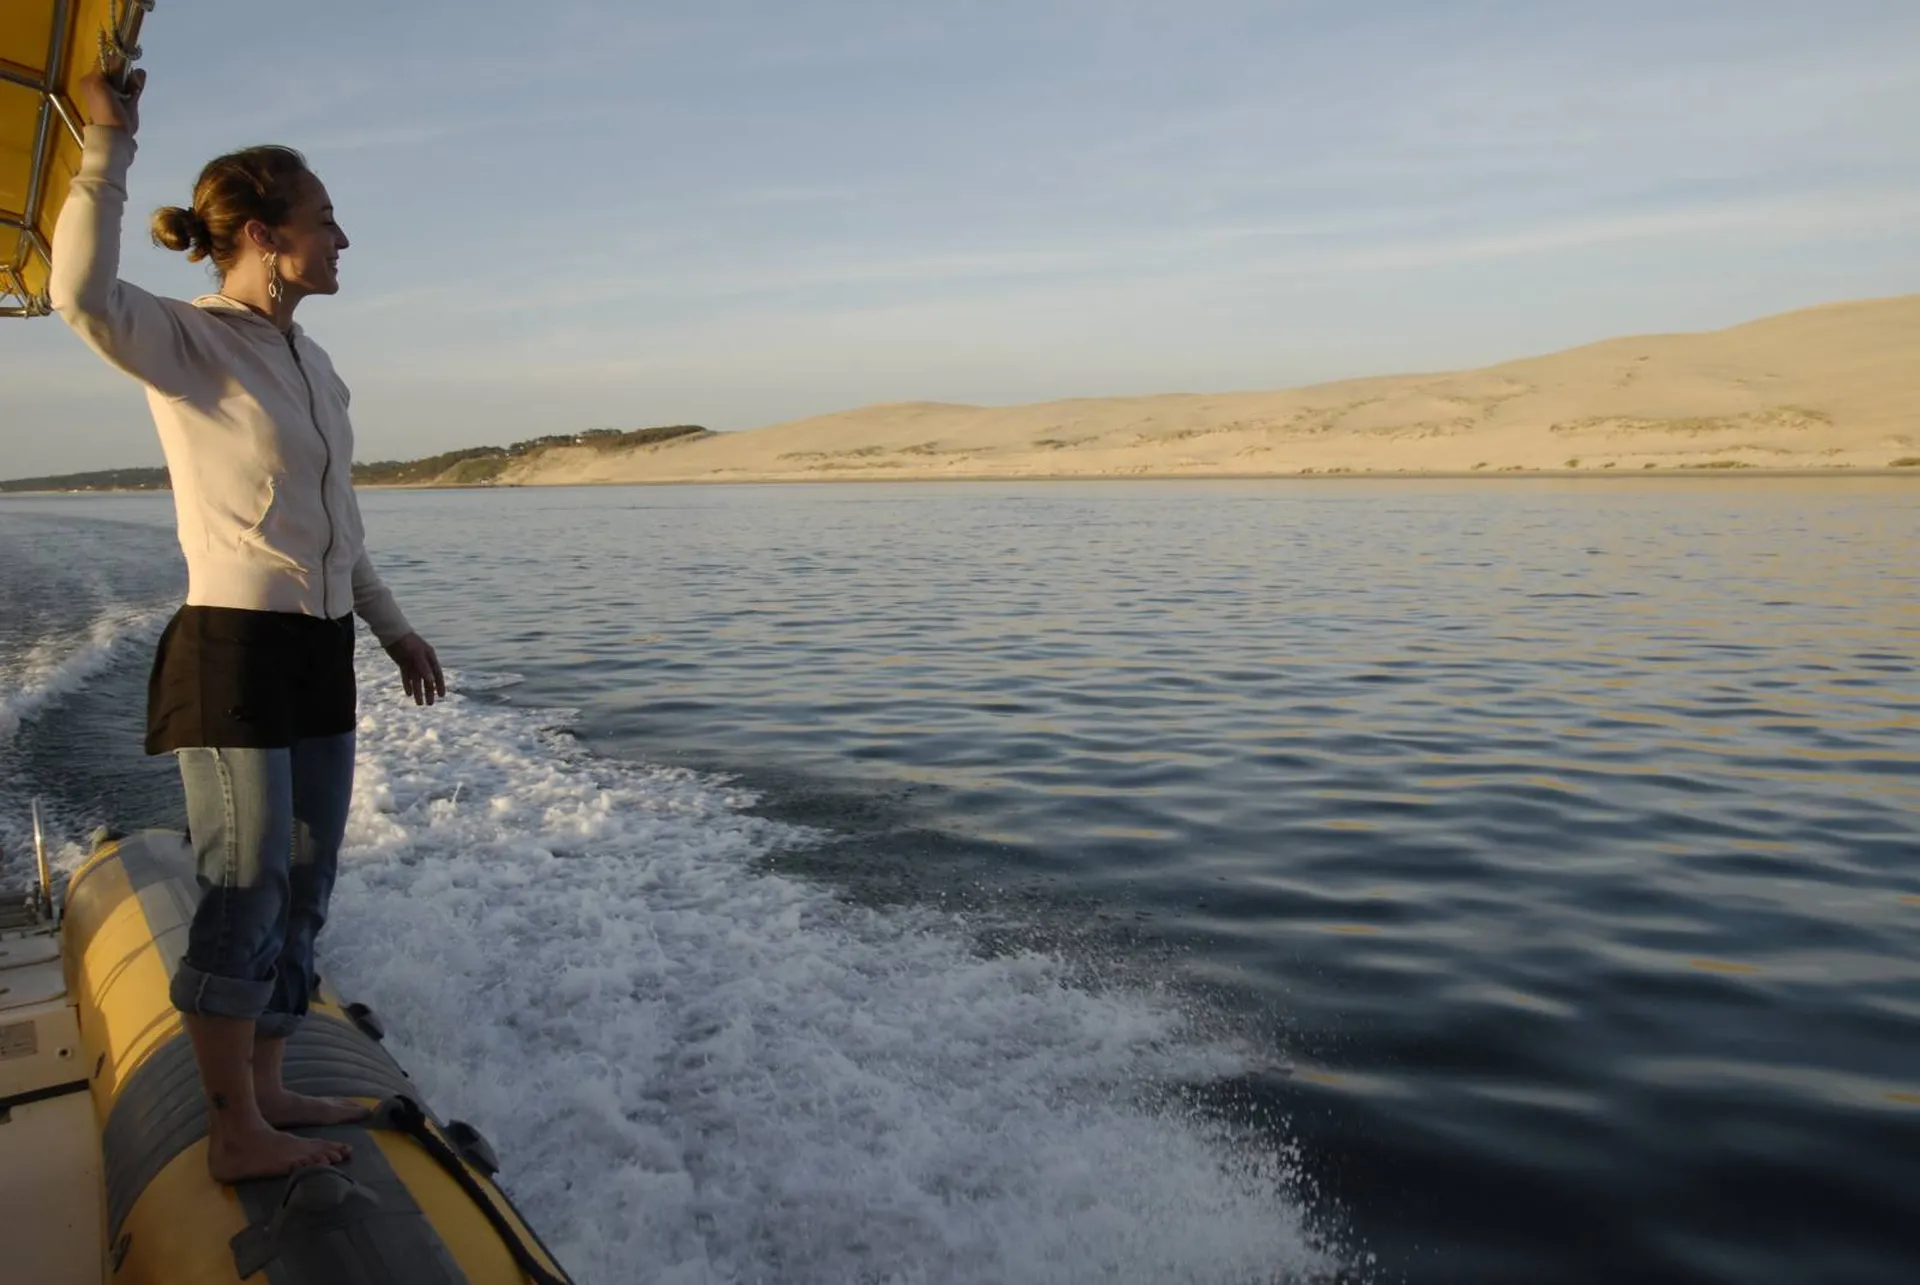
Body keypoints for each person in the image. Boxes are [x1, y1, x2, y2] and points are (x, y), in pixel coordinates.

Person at [51, 67, 446, 1183]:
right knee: (248, 874)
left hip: (319, 649)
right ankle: (232, 1131)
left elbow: (343, 527)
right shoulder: (191, 343)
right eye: (327, 224)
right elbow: (79, 296)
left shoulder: (317, 368)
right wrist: (105, 146)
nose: (345, 241)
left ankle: (269, 1088)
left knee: (310, 875)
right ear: (268, 237)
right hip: (231, 648)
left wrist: (394, 628)